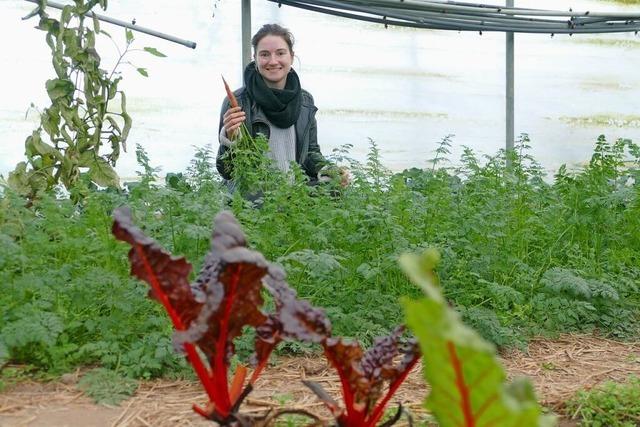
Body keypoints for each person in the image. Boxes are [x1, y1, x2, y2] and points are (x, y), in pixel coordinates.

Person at [216, 23, 327, 184]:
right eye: (265, 54)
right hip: (253, 199)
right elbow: (227, 171)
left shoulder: (305, 101)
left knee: (335, 189)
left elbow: (311, 153)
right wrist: (230, 138)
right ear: (255, 59)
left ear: (291, 56)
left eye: (280, 53)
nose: (273, 61)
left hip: (295, 196)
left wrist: (329, 170)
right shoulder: (237, 102)